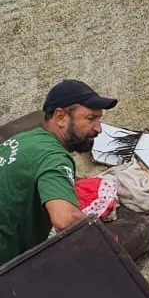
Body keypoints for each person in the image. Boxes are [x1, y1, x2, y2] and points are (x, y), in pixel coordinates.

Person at [0, 79, 118, 266]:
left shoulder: (23, 140)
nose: (98, 128)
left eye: (99, 119)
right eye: (91, 118)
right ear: (61, 117)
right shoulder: (53, 156)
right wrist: (105, 244)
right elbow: (66, 218)